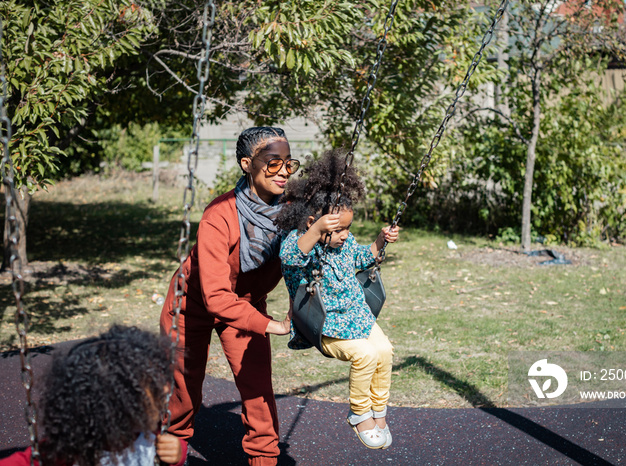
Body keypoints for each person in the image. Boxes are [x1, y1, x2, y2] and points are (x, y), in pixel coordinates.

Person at [159, 127, 298, 466]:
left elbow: (314, 250)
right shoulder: (219, 215)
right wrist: (273, 326)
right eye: (272, 163)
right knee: (184, 389)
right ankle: (170, 456)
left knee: (257, 388)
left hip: (247, 301)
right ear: (247, 164)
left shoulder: (293, 210)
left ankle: (264, 458)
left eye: (288, 164)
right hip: (191, 304)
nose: (282, 171)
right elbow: (217, 297)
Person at [274, 151, 399, 450]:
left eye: (347, 228)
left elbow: (362, 258)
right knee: (365, 356)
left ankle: (378, 410)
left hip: (357, 316)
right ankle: (359, 414)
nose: (344, 235)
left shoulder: (346, 242)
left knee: (384, 350)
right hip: (326, 324)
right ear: (312, 222)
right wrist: (318, 231)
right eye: (338, 229)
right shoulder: (298, 241)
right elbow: (289, 258)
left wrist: (380, 241)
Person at [0, 325, 186, 466]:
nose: (165, 390)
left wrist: (178, 454)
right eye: (153, 389)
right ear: (116, 407)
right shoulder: (70, 447)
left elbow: (170, 453)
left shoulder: (149, 436)